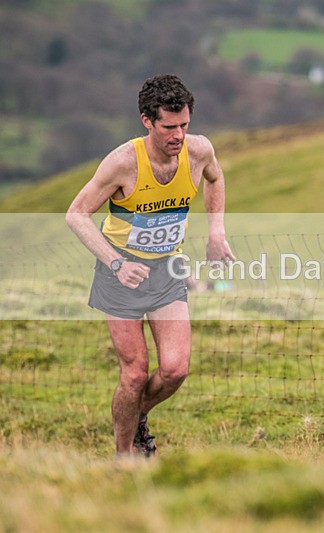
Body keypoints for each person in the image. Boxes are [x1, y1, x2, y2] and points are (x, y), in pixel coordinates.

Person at [65, 74, 235, 458]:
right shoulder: (123, 163)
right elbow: (76, 215)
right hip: (120, 274)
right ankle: (125, 456)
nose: (178, 135)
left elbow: (215, 177)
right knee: (136, 373)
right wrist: (115, 262)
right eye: (169, 127)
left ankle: (137, 413)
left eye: (185, 125)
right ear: (147, 121)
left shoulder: (199, 150)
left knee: (175, 369)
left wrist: (216, 231)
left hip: (166, 270)